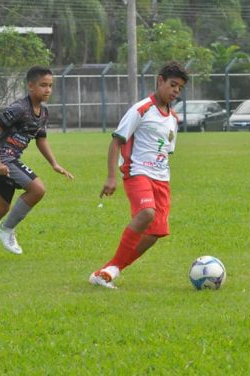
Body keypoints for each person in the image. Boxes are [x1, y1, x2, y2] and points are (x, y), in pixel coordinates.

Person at [89, 61, 189, 289]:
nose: (175, 91)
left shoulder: (173, 118)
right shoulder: (141, 109)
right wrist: (111, 177)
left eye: (180, 88)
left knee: (155, 233)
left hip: (162, 178)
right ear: (160, 80)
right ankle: (110, 269)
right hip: (137, 172)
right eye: (173, 85)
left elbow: (167, 150)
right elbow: (116, 142)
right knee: (146, 213)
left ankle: (110, 270)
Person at [0, 66, 74, 261]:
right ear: (31, 86)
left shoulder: (43, 113)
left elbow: (41, 139)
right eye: (43, 85)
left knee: (0, 209)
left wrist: (54, 164)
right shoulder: (19, 108)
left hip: (7, 160)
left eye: (50, 86)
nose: (48, 90)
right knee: (37, 189)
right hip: (2, 159)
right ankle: (6, 229)